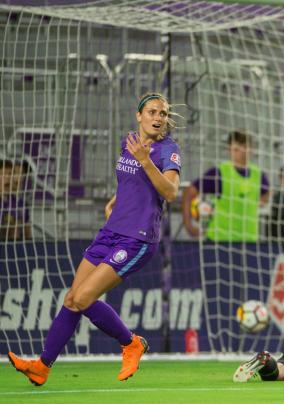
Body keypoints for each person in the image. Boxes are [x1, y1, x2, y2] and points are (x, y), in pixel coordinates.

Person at [7, 92, 181, 386]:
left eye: (162, 114)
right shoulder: (130, 142)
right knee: (73, 299)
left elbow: (171, 193)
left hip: (136, 239)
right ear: (139, 116)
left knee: (86, 297)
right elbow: (132, 180)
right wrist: (117, 198)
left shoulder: (167, 150)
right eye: (152, 112)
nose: (158, 118)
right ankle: (42, 366)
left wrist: (146, 161)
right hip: (110, 232)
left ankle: (131, 343)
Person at [181, 130, 269, 242]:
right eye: (237, 148)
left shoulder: (258, 175)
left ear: (251, 149)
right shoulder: (219, 173)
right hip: (219, 240)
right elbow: (188, 193)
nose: (242, 152)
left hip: (249, 241)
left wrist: (257, 203)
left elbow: (266, 192)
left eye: (245, 147)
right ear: (229, 150)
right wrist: (188, 226)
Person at [0, 159, 32, 241]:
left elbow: (26, 233)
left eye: (10, 174)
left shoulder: (17, 203)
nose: (7, 177)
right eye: (3, 174)